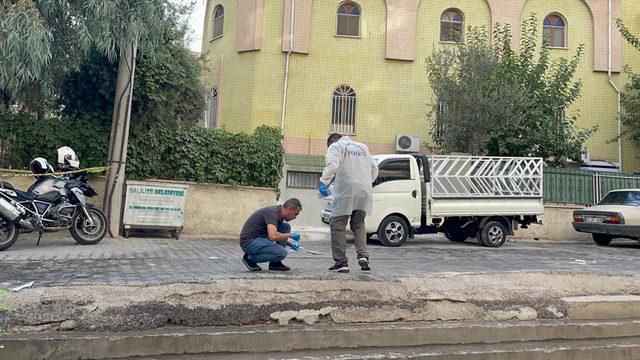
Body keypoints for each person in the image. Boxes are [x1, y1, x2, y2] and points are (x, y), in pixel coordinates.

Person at [319, 133, 378, 273]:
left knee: (337, 224)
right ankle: (363, 255)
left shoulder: (336, 146)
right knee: (358, 223)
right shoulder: (363, 147)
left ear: (331, 141)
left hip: (346, 189)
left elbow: (332, 165)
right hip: (364, 189)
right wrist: (368, 182)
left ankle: (341, 262)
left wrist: (324, 182)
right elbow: (374, 168)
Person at [239, 198, 302, 271]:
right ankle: (250, 258)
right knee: (281, 253)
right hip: (249, 242)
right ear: (289, 209)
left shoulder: (278, 214)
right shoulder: (272, 212)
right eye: (295, 214)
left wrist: (290, 244)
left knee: (285, 226)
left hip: (260, 239)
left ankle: (275, 263)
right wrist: (290, 235)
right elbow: (272, 236)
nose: (295, 217)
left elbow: (273, 234)